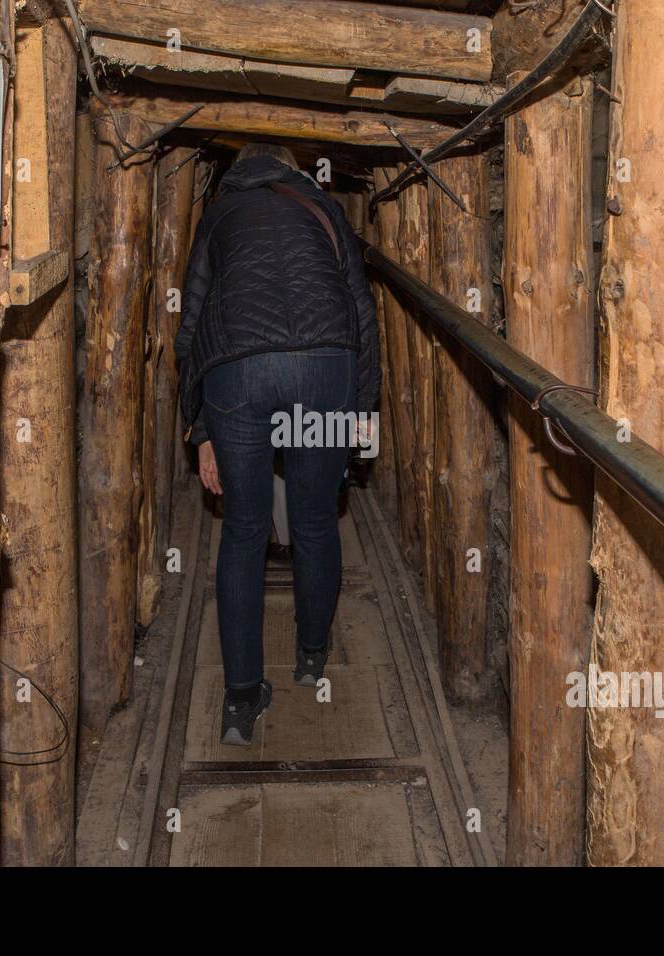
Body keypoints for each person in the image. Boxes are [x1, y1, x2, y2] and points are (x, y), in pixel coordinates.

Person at [175, 143, 380, 745]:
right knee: (316, 519)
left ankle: (241, 701)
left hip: (239, 371)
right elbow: (361, 311)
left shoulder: (218, 213)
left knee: (243, 527)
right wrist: (363, 408)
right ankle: (312, 655)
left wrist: (202, 428)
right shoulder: (323, 206)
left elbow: (191, 322)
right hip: (324, 365)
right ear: (292, 169)